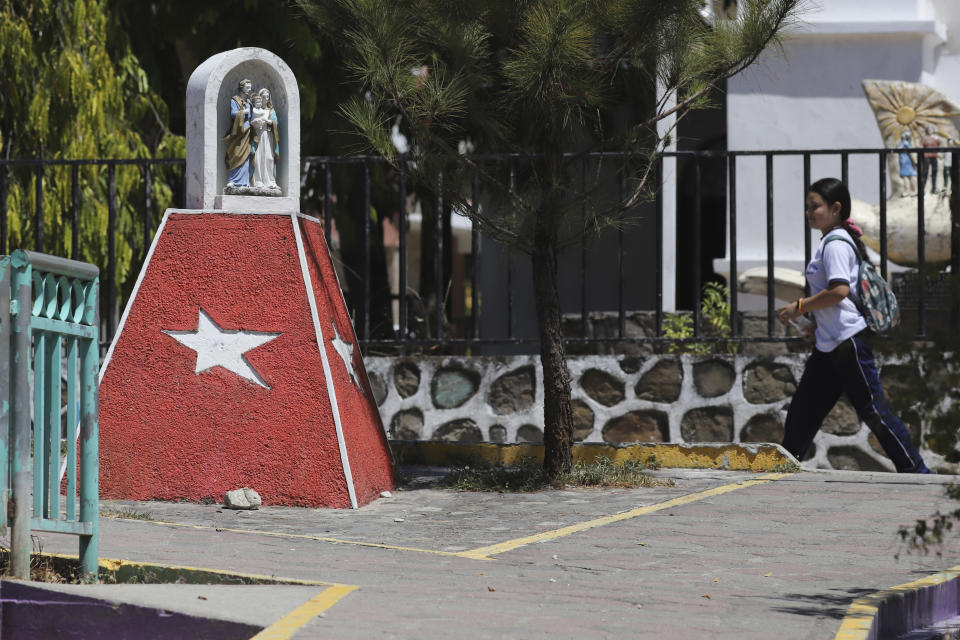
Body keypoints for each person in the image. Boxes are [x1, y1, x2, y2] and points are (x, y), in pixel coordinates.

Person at [776, 178, 930, 473]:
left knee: (874, 412)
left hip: (847, 344)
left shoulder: (834, 244)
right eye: (807, 207)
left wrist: (799, 307)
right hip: (830, 344)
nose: (809, 213)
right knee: (803, 411)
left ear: (835, 209)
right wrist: (816, 324)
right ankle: (782, 465)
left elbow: (839, 292)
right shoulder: (833, 241)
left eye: (815, 207)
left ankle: (918, 472)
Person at [224, 79, 254, 188]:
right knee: (236, 154)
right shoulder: (235, 100)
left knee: (246, 156)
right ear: (242, 88)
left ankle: (245, 182)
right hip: (238, 132)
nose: (249, 90)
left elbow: (252, 116)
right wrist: (244, 112)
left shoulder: (249, 102)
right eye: (247, 88)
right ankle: (233, 180)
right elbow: (233, 113)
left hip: (248, 131)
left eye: (250, 88)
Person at [250, 92, 279, 190]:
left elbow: (275, 122)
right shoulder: (256, 110)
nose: (265, 98)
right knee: (259, 157)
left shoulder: (270, 110)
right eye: (263, 97)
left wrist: (268, 121)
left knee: (269, 158)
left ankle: (270, 181)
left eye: (267, 96)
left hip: (268, 135)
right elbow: (251, 121)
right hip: (258, 135)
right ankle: (258, 181)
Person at [921, 124, 941, 193]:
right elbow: (923, 145)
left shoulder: (935, 137)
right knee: (925, 172)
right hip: (927, 156)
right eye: (929, 129)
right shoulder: (925, 138)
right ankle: (922, 188)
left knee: (934, 172)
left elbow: (938, 144)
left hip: (934, 156)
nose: (930, 131)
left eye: (931, 129)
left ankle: (934, 187)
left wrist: (936, 138)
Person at [897, 131, 917, 196]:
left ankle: (910, 190)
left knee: (908, 176)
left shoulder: (903, 144)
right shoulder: (904, 144)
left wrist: (914, 160)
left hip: (905, 161)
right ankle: (911, 190)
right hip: (905, 161)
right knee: (908, 176)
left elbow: (910, 152)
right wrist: (915, 161)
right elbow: (910, 153)